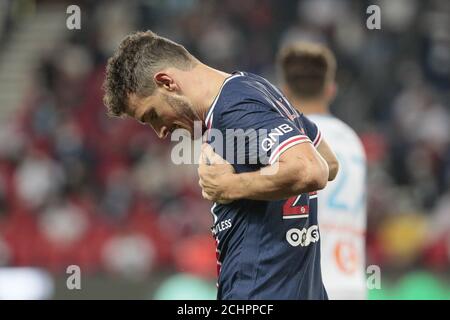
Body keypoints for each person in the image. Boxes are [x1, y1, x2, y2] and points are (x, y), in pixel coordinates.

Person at [102, 30, 339, 299]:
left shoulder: (235, 108)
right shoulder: (253, 87)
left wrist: (231, 186)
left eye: (152, 115)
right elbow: (329, 162)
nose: (159, 132)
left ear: (167, 82)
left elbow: (312, 170)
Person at [277, 42, 367, 299]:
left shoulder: (290, 139)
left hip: (305, 286)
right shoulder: (352, 141)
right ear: (331, 89)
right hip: (351, 284)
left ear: (284, 92)